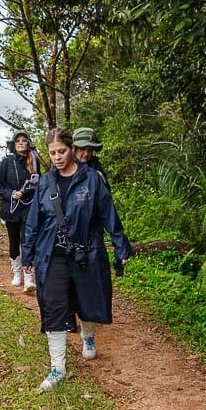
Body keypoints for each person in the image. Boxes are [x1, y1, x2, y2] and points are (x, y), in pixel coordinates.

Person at [21, 127, 133, 389]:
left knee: (87, 300)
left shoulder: (92, 179)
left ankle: (88, 334)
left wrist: (121, 246)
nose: (57, 157)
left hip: (86, 251)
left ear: (71, 150)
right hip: (52, 255)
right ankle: (57, 367)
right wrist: (27, 254)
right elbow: (33, 222)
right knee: (53, 306)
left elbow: (109, 215)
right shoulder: (44, 183)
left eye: (62, 151)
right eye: (52, 153)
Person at [0, 130, 44, 292]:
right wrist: (12, 193)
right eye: (18, 140)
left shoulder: (34, 161)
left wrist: (31, 193)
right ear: (14, 145)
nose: (21, 143)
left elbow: (39, 183)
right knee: (14, 241)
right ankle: (17, 272)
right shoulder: (7, 162)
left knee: (28, 241)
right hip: (11, 209)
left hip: (29, 207)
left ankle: (28, 277)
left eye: (24, 140)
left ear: (28, 143)